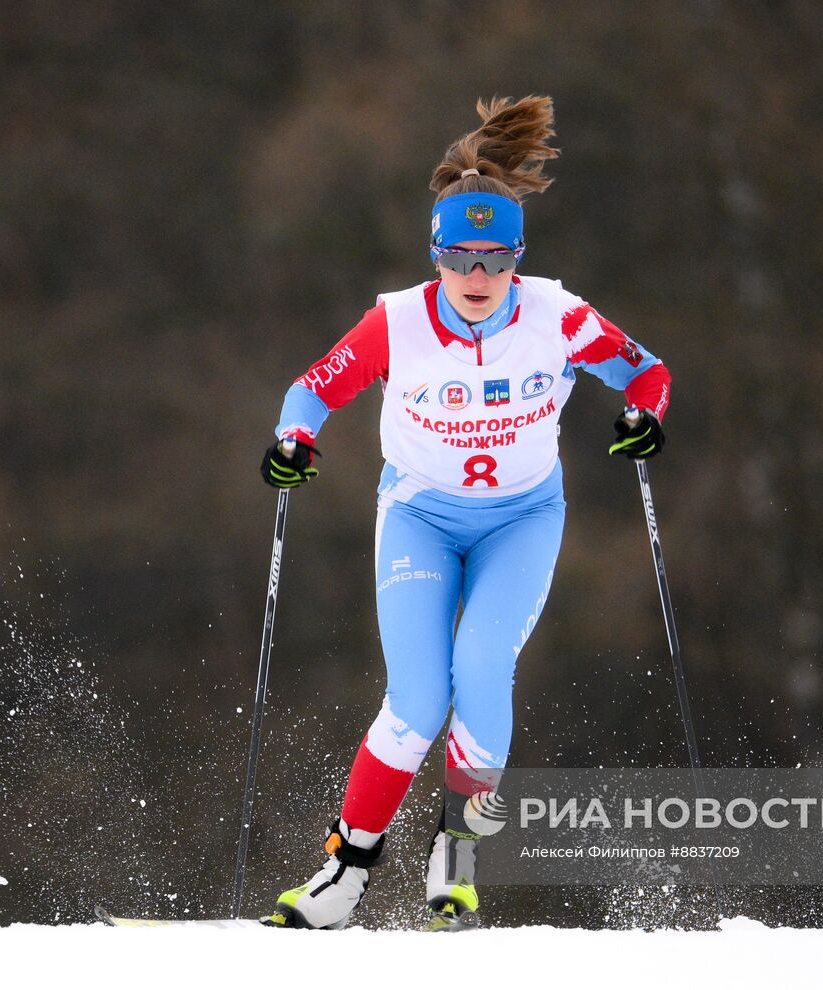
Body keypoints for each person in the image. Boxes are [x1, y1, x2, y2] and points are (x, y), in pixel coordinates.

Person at [257, 95, 670, 931]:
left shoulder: (558, 315)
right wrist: (293, 440)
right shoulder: (396, 322)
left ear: (517, 257)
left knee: (481, 672)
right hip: (419, 515)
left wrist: (643, 420)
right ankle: (344, 877)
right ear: (435, 256)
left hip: (521, 520)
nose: (477, 278)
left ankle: (459, 859)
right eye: (459, 258)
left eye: (494, 258)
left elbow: (647, 374)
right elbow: (311, 389)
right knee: (416, 696)